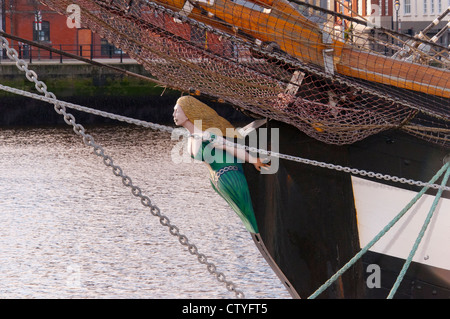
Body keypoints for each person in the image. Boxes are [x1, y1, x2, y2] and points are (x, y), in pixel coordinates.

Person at [173, 95, 269, 234]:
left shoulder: (207, 135)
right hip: (217, 180)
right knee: (247, 217)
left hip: (230, 178)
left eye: (177, 111)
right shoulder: (192, 136)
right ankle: (260, 232)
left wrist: (255, 161)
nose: (173, 114)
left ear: (188, 113)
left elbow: (231, 147)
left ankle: (262, 231)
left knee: (250, 216)